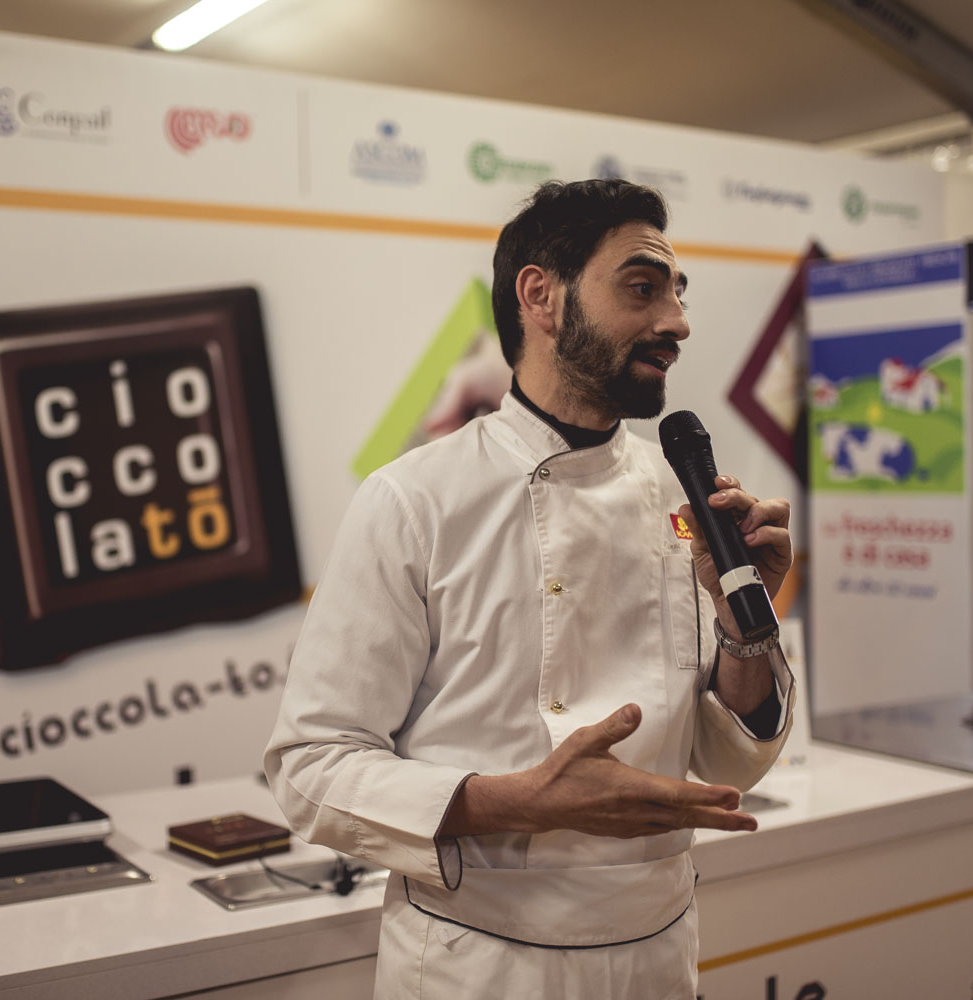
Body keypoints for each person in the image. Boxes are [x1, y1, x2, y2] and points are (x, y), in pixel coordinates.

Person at [264, 179, 796, 999]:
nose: (677, 322)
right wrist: (520, 801)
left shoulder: (684, 497)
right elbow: (312, 766)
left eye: (678, 293)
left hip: (658, 954)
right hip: (479, 962)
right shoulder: (414, 500)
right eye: (643, 288)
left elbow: (728, 758)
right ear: (541, 296)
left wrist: (743, 631)